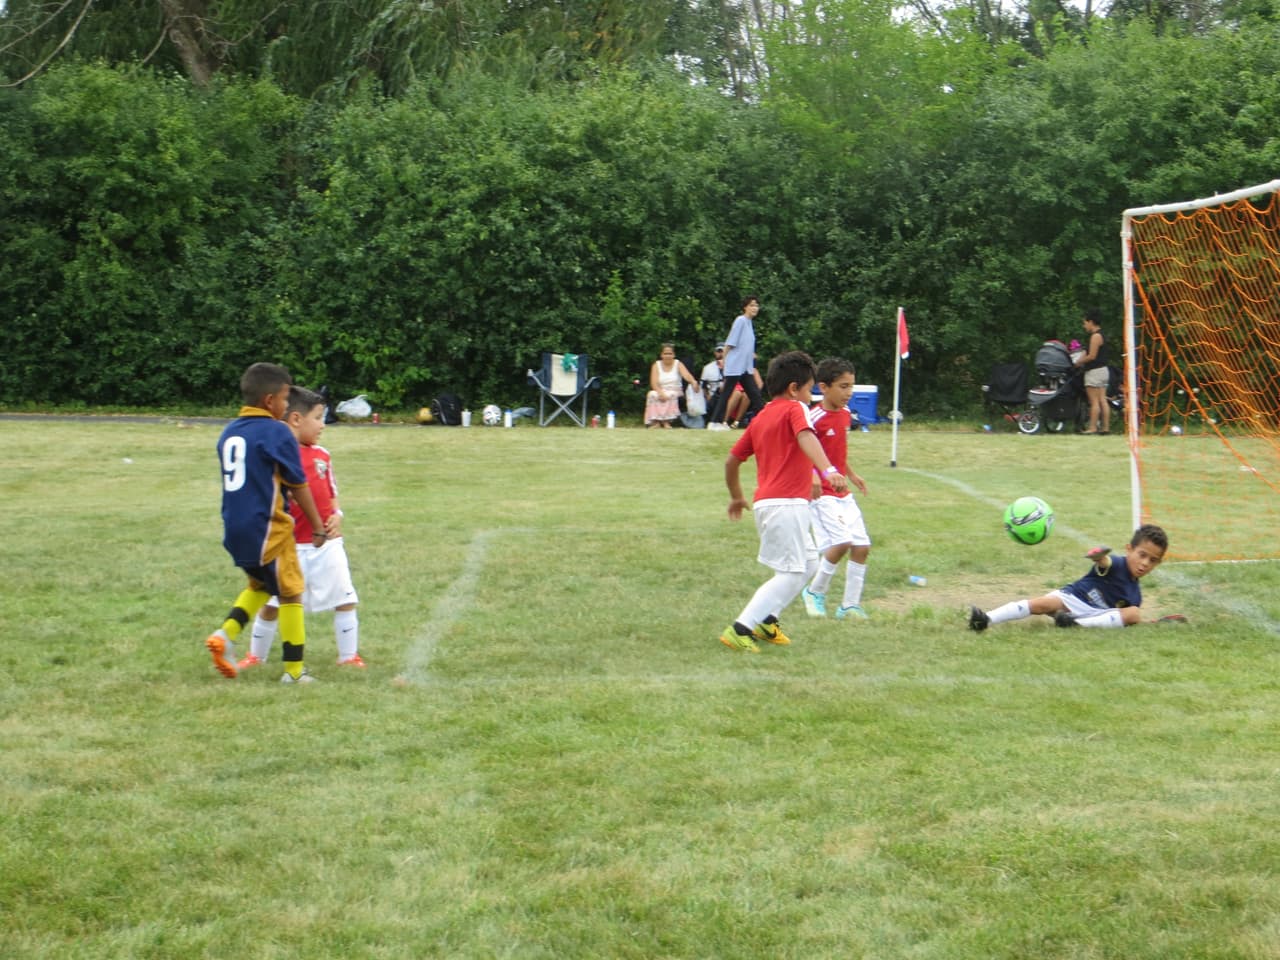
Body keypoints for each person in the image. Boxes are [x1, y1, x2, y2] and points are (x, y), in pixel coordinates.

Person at [720, 350, 850, 653]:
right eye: (809, 389)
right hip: (786, 505)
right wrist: (828, 470)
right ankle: (741, 628)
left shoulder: (761, 416)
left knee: (807, 564)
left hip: (773, 504)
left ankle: (768, 621)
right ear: (794, 388)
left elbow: (731, 461)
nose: (811, 395)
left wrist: (737, 496)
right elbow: (806, 437)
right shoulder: (796, 409)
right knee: (791, 573)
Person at [205, 363, 326, 683]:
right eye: (286, 399)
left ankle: (225, 635)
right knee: (291, 592)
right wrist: (316, 524)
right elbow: (297, 484)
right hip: (268, 528)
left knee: (261, 585)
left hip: (235, 527)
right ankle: (295, 672)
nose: (287, 407)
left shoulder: (229, 431)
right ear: (270, 400)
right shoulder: (276, 431)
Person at [238, 386, 364, 671]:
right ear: (296, 419)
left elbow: (331, 492)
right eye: (318, 418)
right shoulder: (277, 455)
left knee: (345, 598)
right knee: (272, 603)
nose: (322, 425)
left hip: (327, 544)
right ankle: (256, 656)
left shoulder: (323, 455)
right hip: (288, 546)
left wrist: (337, 515)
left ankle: (349, 656)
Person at [967, 524, 1176, 631]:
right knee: (1041, 604)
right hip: (1071, 599)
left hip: (1092, 616)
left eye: (1153, 560)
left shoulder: (1135, 594)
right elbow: (1106, 562)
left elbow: (1124, 619)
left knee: (1134, 613)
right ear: (1129, 549)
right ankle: (986, 619)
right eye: (1142, 555)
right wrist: (1098, 556)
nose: (1145, 563)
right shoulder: (1118, 563)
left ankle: (1076, 626)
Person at [800, 358, 872, 621]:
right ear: (823, 387)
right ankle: (814, 592)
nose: (849, 392)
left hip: (842, 490)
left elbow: (837, 452)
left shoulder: (844, 415)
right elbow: (801, 448)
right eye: (843, 386)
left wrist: (851, 474)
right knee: (841, 542)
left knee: (862, 546)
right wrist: (811, 474)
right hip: (822, 494)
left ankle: (849, 606)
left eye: (851, 386)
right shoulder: (813, 417)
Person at [707, 296, 764, 431]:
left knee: (755, 395)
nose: (754, 308)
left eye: (756, 305)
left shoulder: (749, 323)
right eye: (751, 305)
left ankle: (766, 421)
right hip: (735, 366)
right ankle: (714, 422)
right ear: (745, 307)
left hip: (745, 368)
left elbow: (745, 345)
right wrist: (724, 360)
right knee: (726, 394)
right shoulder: (740, 321)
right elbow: (730, 342)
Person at [644, 342, 700, 428]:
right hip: (660, 389)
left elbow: (687, 375)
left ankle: (666, 422)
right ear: (661, 355)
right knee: (652, 394)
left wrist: (693, 382)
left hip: (675, 390)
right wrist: (660, 392)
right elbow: (653, 382)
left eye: (670, 353)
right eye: (665, 353)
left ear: (673, 355)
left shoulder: (678, 364)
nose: (667, 356)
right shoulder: (656, 365)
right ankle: (656, 422)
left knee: (670, 395)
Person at [1074, 308, 1110, 435]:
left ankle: (1093, 428)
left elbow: (1092, 356)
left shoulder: (1095, 336)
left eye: (1085, 323)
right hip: (1104, 371)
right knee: (1102, 400)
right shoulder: (1102, 335)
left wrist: (1079, 362)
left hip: (1094, 372)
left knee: (1094, 402)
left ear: (1091, 322)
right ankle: (1105, 428)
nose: (1084, 326)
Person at [699, 343, 726, 414]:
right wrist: (708, 396)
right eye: (718, 351)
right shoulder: (707, 368)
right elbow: (703, 386)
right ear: (715, 353)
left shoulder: (732, 367)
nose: (720, 354)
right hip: (712, 396)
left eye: (722, 351)